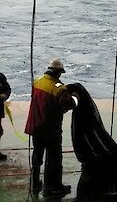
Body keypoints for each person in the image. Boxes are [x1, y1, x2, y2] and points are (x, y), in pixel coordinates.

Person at [25, 58, 78, 197]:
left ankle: (35, 183)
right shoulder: (59, 88)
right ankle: (53, 187)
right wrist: (75, 99)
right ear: (58, 73)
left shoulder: (37, 82)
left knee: (37, 155)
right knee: (54, 158)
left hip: (36, 127)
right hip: (50, 129)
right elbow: (67, 105)